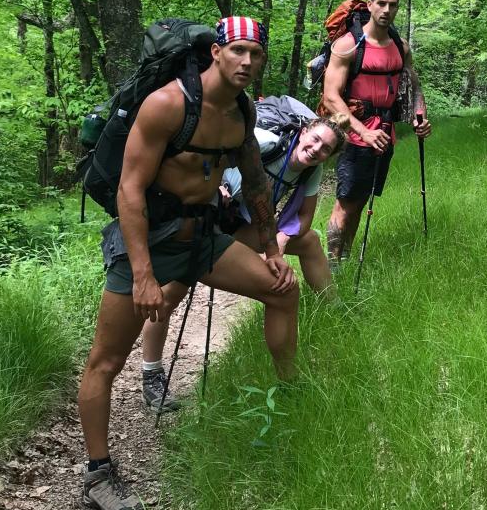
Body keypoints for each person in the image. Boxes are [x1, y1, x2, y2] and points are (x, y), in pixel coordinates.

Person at [78, 16, 299, 510]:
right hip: (153, 241)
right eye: (238, 51)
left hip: (204, 237)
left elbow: (258, 185)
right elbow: (128, 191)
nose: (247, 61)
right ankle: (97, 474)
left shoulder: (243, 113)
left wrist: (270, 248)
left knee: (283, 290)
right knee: (106, 361)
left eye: (256, 54)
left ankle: (292, 394)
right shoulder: (168, 105)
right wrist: (142, 275)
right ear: (216, 53)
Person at [140, 113, 347, 411]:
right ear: (304, 133)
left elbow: (304, 219)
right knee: (173, 291)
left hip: (242, 226)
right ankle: (152, 374)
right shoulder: (266, 143)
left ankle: (336, 310)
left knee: (310, 241)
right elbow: (205, 160)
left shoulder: (310, 170)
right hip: (206, 219)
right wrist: (216, 184)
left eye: (325, 149)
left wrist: (283, 239)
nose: (316, 149)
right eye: (315, 140)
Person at [321, 0, 431, 264]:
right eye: (381, 3)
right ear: (369, 5)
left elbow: (412, 84)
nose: (387, 9)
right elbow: (331, 97)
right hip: (354, 135)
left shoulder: (400, 46)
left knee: (360, 202)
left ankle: (342, 260)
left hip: (384, 133)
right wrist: (363, 132)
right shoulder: (347, 46)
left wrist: (419, 115)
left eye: (393, 4)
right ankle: (331, 265)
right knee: (345, 202)